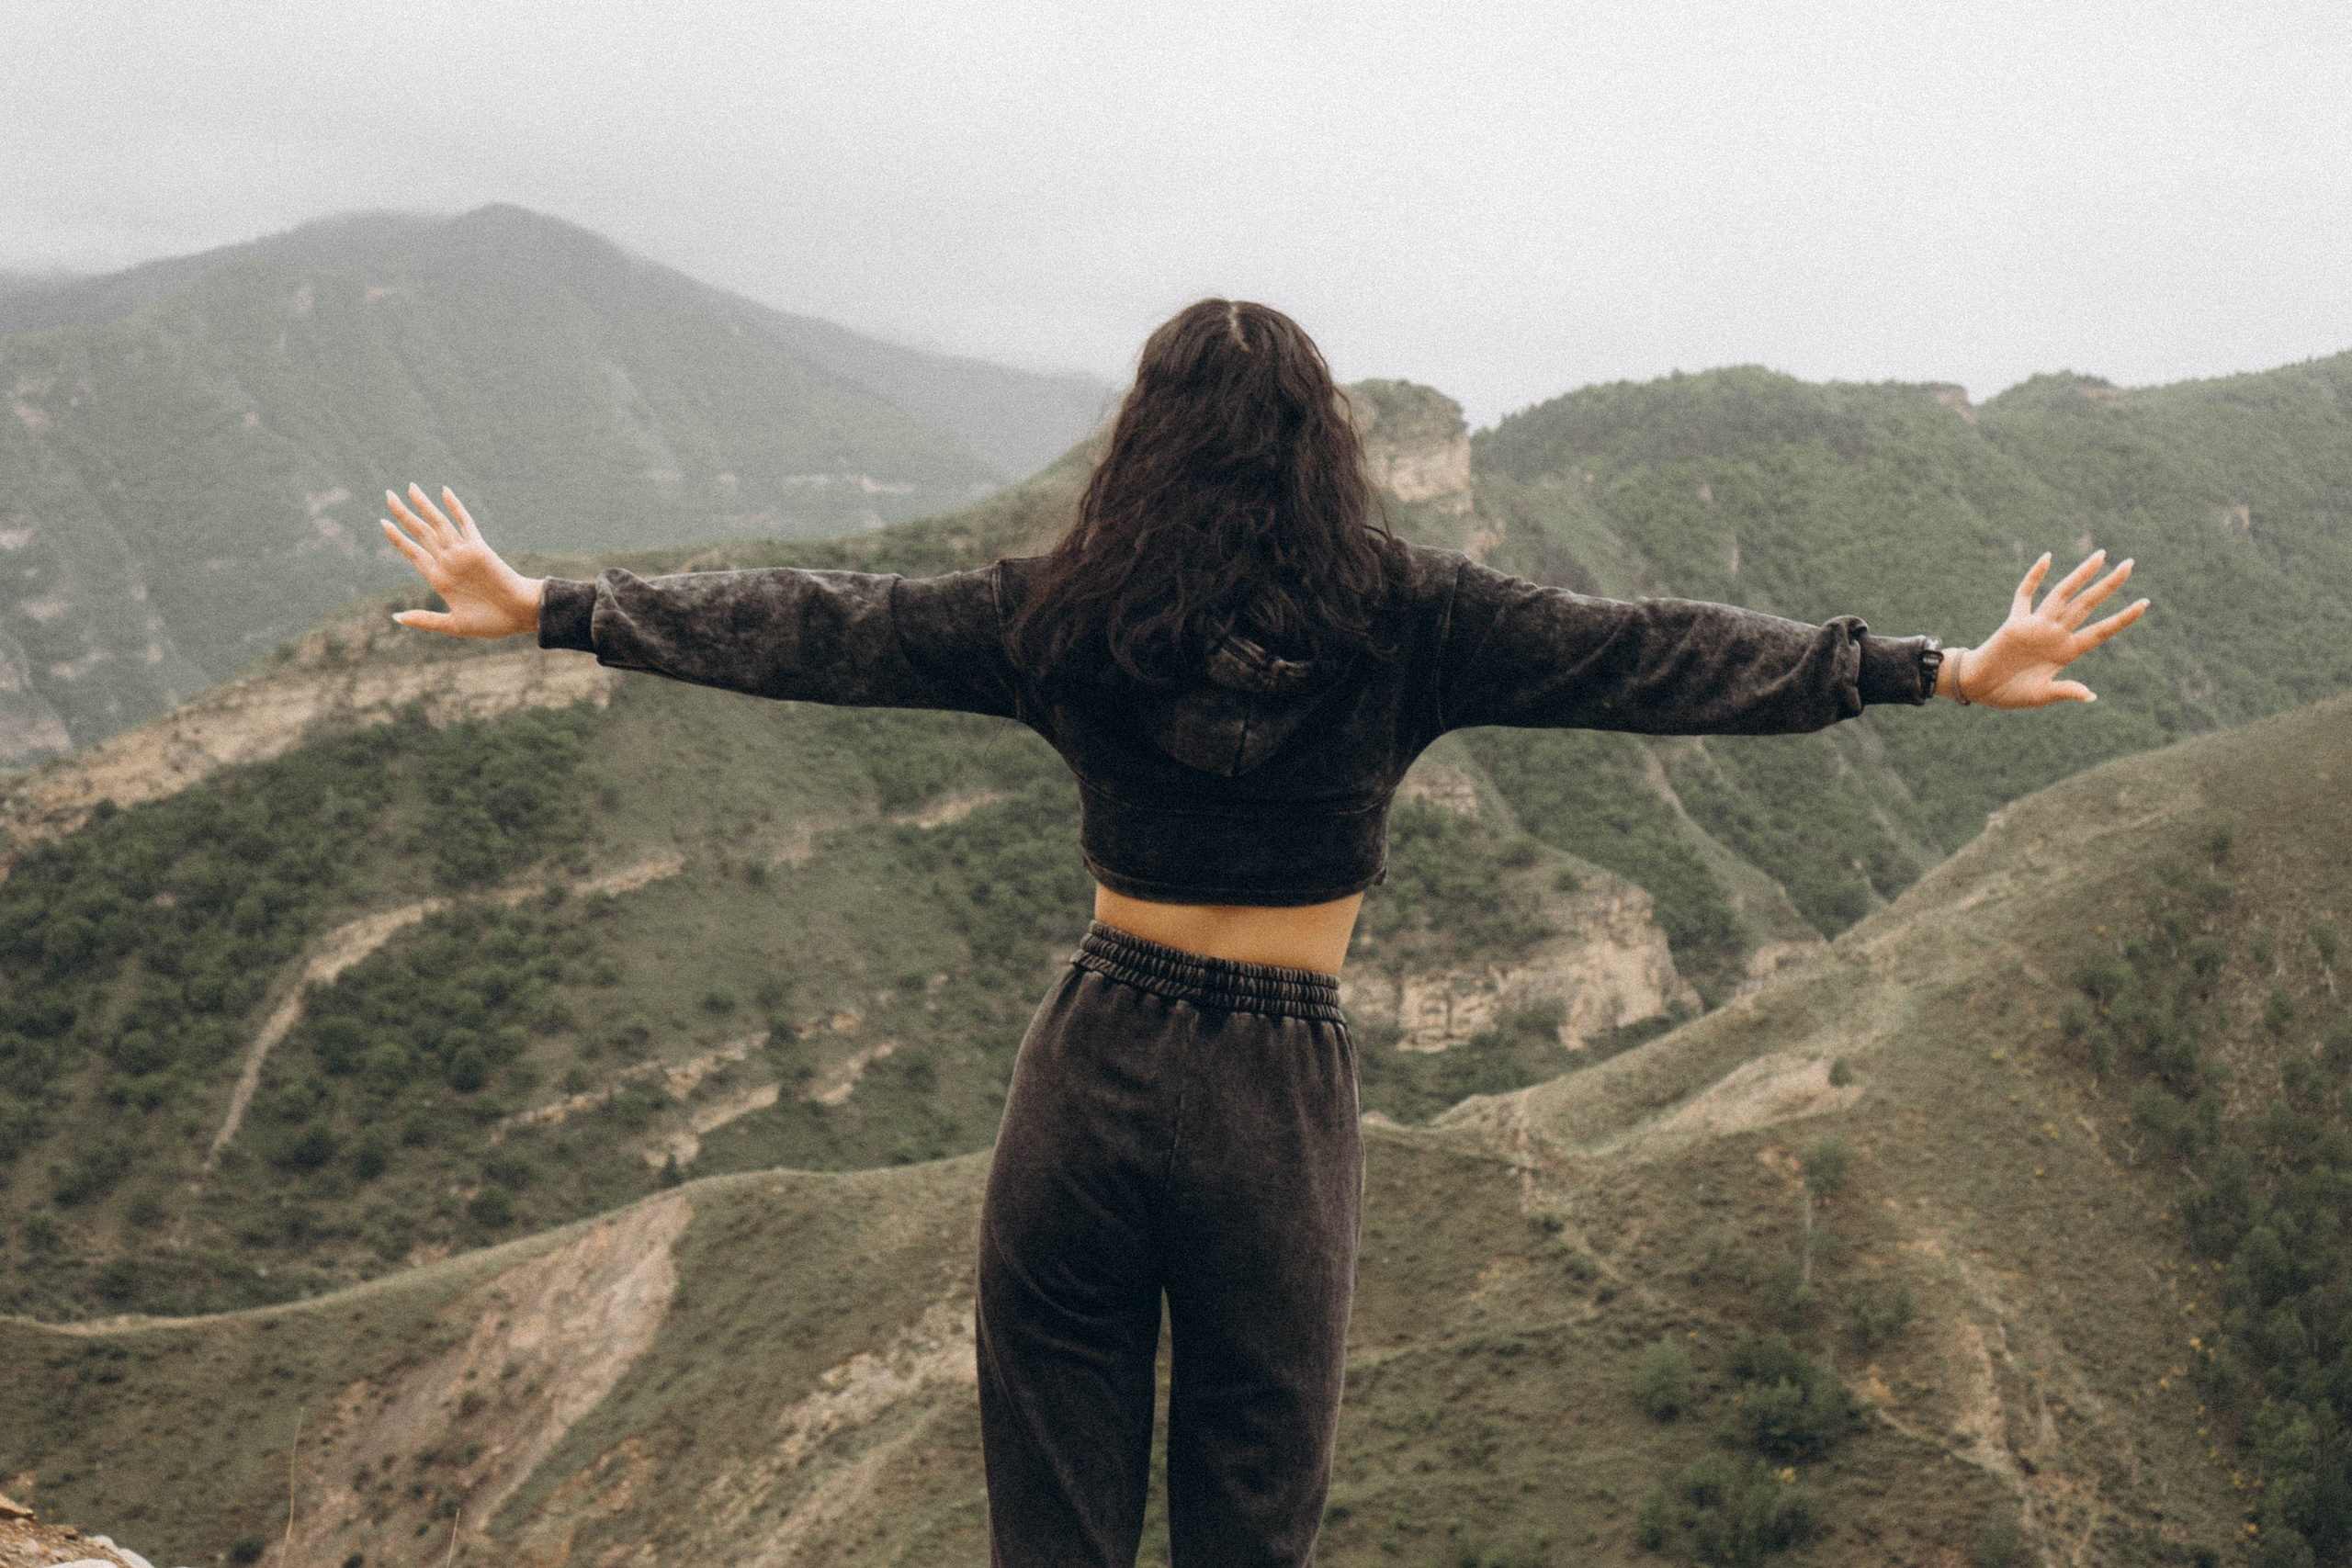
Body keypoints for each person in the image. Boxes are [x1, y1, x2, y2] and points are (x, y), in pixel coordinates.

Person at [380, 298, 2145, 1567]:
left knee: (1050, 1526)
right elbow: (1652, 656)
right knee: (1251, 1510)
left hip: (1083, 1068)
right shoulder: (1413, 618)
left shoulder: (1057, 616)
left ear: (1138, 452)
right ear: (1327, 450)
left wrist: (556, 608)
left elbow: (825, 628)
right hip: (1272, 1093)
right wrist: (1926, 670)